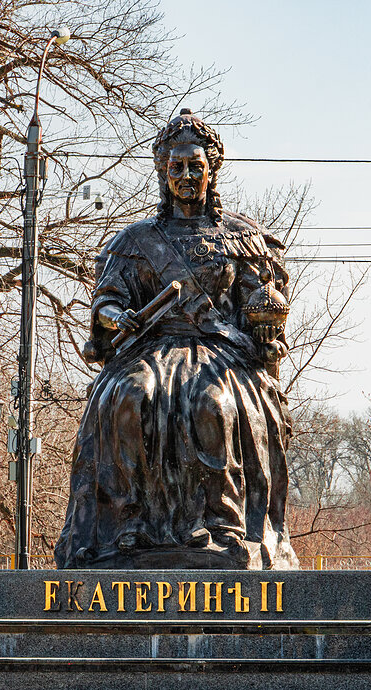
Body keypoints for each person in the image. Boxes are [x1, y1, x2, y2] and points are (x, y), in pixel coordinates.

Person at [55, 109, 299, 570]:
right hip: (149, 348)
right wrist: (115, 317)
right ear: (163, 171)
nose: (186, 176)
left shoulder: (240, 239)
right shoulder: (136, 239)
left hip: (221, 353)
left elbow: (261, 306)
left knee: (212, 407)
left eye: (196, 167)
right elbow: (105, 301)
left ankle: (223, 524)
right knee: (131, 398)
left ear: (212, 170)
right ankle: (127, 526)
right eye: (177, 167)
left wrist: (266, 319)